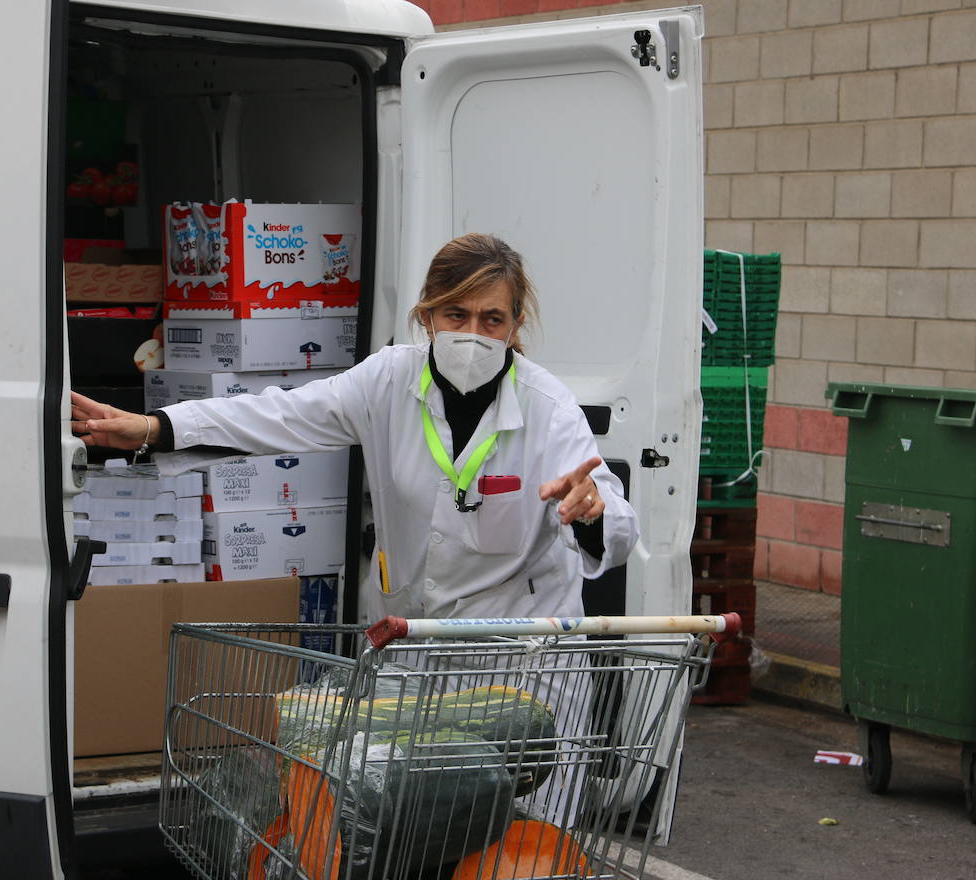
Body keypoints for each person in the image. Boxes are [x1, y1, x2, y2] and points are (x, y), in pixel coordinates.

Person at [72, 232, 639, 624]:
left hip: (517, 664)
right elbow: (278, 415)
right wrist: (154, 427)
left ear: (516, 324)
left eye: (492, 318)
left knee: (512, 802)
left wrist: (591, 513)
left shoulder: (548, 408)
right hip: (408, 649)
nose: (474, 333)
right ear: (427, 316)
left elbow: (613, 526)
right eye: (456, 315)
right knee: (403, 799)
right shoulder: (389, 380)